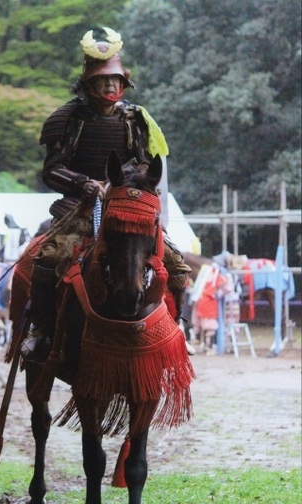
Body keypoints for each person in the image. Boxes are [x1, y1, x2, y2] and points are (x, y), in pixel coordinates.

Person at [24, 26, 193, 361]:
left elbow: (146, 166)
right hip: (78, 208)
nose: (110, 86)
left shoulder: (136, 119)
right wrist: (83, 183)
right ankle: (40, 331)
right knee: (48, 259)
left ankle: (176, 329)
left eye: (115, 80)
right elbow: (51, 170)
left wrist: (128, 187)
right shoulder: (66, 119)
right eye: (103, 80)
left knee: (176, 265)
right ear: (89, 83)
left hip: (125, 206)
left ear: (124, 82)